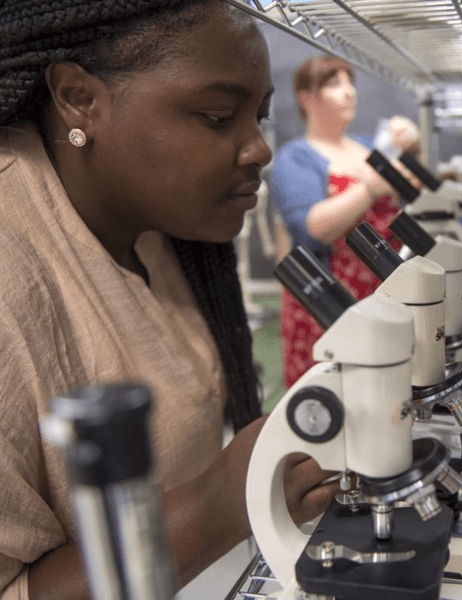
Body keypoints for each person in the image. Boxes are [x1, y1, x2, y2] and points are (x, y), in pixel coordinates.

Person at [0, 2, 341, 598]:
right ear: (80, 99)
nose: (258, 149)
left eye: (258, 117)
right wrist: (214, 508)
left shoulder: (157, 226)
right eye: (217, 116)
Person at [271, 55, 420, 389]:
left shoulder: (368, 146)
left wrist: (412, 144)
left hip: (384, 294)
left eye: (350, 83)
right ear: (306, 98)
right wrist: (367, 187)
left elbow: (413, 190)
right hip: (329, 305)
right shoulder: (297, 157)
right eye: (334, 84)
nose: (349, 92)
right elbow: (311, 229)